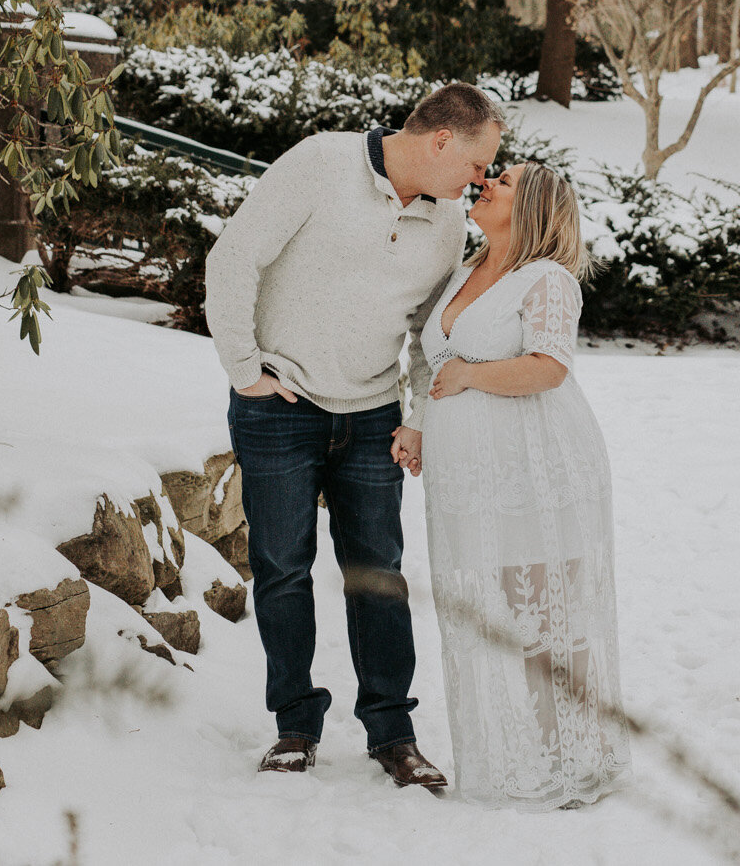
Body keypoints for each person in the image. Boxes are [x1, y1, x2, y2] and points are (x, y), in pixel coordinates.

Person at [201, 82, 504, 789]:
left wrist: (417, 417)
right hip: (279, 404)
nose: (482, 177)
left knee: (380, 578)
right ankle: (294, 725)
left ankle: (393, 734)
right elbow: (233, 259)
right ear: (441, 141)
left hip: (371, 415)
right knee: (282, 569)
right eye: (479, 160)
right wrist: (245, 369)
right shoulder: (319, 163)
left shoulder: (451, 218)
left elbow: (432, 334)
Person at [390, 162, 628, 809]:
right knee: (503, 607)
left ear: (535, 209)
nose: (488, 181)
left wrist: (470, 378)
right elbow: (434, 358)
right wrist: (418, 423)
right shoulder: (466, 269)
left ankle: (575, 761)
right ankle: (528, 751)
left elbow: (548, 366)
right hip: (472, 474)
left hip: (537, 463)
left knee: (550, 610)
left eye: (506, 181)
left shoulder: (546, 278)